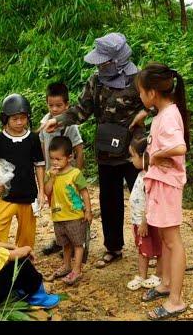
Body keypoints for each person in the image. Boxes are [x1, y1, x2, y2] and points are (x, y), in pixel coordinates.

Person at [42, 33, 149, 268]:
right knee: (109, 200)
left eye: (104, 61)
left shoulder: (139, 80)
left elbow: (157, 102)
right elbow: (82, 109)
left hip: (134, 152)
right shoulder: (96, 81)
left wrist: (146, 112)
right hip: (106, 151)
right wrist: (58, 121)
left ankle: (150, 248)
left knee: (143, 199)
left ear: (118, 60)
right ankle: (113, 247)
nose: (100, 65)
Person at [136, 63, 189, 320]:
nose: (140, 97)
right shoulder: (162, 114)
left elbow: (180, 147)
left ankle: (175, 300)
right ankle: (167, 283)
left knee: (172, 240)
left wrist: (156, 155)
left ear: (152, 93)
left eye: (141, 92)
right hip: (161, 183)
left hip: (168, 185)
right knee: (166, 238)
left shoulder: (168, 116)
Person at [0, 94, 46, 248]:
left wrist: (41, 191)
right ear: (5, 119)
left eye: (23, 118)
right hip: (4, 195)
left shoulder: (33, 139)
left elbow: (39, 165)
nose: (19, 122)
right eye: (14, 119)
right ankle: (0, 262)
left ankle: (23, 264)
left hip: (28, 195)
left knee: (27, 236)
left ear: (28, 118)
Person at [39, 81, 84, 256]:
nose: (55, 109)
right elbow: (43, 150)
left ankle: (76, 243)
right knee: (56, 207)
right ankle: (61, 240)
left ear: (67, 105)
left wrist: (77, 175)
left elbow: (79, 151)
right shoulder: (45, 122)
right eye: (51, 105)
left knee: (72, 208)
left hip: (68, 176)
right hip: (53, 175)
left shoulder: (70, 126)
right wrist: (44, 177)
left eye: (59, 106)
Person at [43, 136, 93, 285]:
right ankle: (66, 265)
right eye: (52, 159)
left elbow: (84, 192)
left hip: (75, 215)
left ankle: (76, 270)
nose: (54, 162)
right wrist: (51, 177)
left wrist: (88, 211)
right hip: (58, 215)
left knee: (78, 243)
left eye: (58, 159)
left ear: (69, 157)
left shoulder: (75, 173)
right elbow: (47, 191)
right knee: (65, 243)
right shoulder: (50, 173)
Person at [126, 137, 163, 291]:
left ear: (144, 156)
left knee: (150, 248)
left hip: (146, 222)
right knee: (144, 248)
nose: (130, 160)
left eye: (133, 156)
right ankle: (143, 275)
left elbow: (150, 201)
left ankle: (156, 275)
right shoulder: (142, 173)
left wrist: (144, 222)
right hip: (140, 220)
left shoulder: (149, 177)